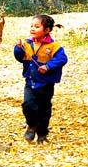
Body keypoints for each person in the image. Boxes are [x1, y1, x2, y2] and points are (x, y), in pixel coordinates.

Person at [13, 14, 68, 144]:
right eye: (31, 26)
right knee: (28, 105)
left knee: (44, 109)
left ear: (47, 30)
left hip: (46, 84)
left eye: (37, 27)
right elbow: (19, 57)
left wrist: (48, 66)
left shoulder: (54, 46)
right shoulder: (27, 44)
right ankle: (31, 125)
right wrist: (18, 48)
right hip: (30, 82)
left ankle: (42, 134)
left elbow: (62, 59)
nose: (32, 29)